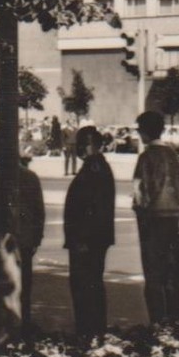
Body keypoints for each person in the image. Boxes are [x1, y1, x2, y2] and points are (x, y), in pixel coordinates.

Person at [131, 110, 179, 324]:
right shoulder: (174, 156)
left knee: (153, 275)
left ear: (144, 132)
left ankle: (158, 322)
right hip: (172, 219)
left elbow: (139, 193)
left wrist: (140, 214)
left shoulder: (146, 157)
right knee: (171, 274)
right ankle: (175, 319)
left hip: (152, 220)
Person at [64, 126, 115, 339]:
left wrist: (82, 239)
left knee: (85, 286)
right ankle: (94, 330)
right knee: (92, 284)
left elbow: (91, 207)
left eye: (79, 144)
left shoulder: (94, 168)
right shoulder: (99, 167)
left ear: (87, 145)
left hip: (86, 241)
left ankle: (88, 331)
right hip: (93, 239)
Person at [13, 154, 46, 336]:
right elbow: (39, 212)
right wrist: (36, 239)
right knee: (24, 284)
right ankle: (23, 321)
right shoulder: (29, 177)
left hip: (3, 240)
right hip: (24, 240)